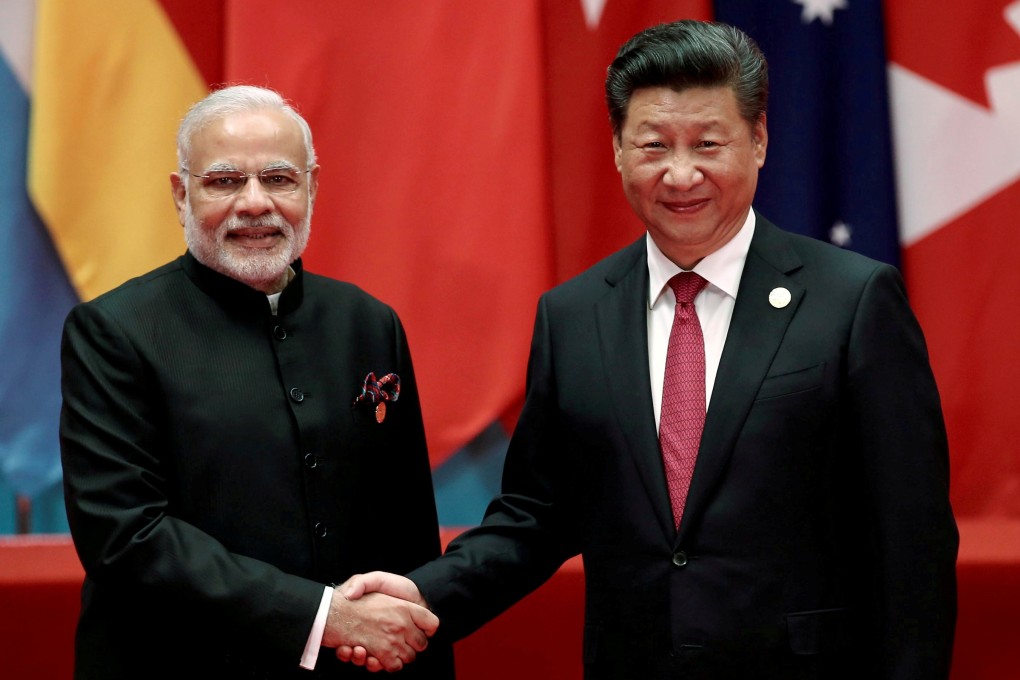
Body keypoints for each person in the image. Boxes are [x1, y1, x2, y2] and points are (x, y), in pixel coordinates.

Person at [341, 19, 958, 679]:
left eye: (708, 143)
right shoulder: (574, 316)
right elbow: (538, 514)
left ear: (759, 141)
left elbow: (912, 543)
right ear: (616, 149)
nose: (681, 173)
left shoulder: (853, 302)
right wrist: (425, 593)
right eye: (655, 144)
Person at [59, 85, 454, 679]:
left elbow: (408, 530)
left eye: (278, 178)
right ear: (180, 194)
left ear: (311, 188)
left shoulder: (369, 324)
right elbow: (127, 536)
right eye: (223, 181)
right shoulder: (113, 332)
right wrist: (325, 616)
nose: (254, 204)